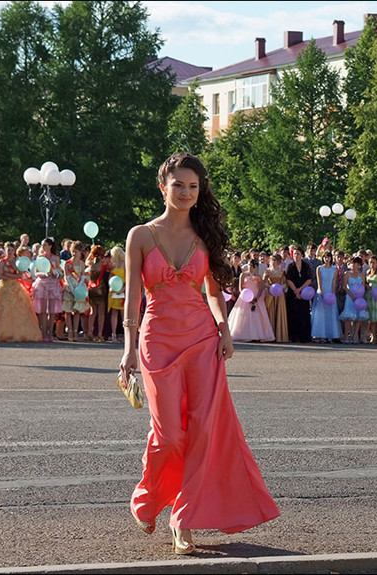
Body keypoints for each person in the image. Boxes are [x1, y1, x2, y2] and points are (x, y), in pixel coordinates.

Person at [118, 152, 279, 555]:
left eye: (193, 186)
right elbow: (133, 298)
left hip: (202, 340)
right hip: (156, 341)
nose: (187, 192)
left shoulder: (204, 237)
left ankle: (183, 520)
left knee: (204, 432)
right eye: (179, 185)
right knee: (170, 434)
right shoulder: (140, 235)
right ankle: (148, 497)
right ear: (162, 187)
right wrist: (128, 352)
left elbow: (212, 290)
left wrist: (224, 329)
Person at [0, 243, 41, 342]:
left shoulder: (17, 262)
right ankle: (3, 333)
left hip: (16, 287)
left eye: (12, 250)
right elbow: (1, 275)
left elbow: (20, 275)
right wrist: (11, 276)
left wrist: (9, 275)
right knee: (3, 310)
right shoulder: (2, 262)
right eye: (8, 250)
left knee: (19, 310)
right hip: (4, 286)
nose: (10, 252)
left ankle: (20, 333)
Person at [228, 258, 275, 342]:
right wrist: (246, 297)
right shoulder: (243, 275)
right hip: (246, 295)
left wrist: (257, 297)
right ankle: (243, 334)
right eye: (249, 265)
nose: (250, 267)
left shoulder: (258, 276)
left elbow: (260, 288)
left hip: (256, 296)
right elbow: (240, 287)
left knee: (257, 315)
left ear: (255, 266)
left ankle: (258, 335)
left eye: (252, 265)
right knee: (244, 315)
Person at [32, 238, 64, 342]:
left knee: (52, 311)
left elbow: (59, 271)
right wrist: (43, 274)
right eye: (42, 245)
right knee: (42, 311)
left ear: (50, 246)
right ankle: (43, 332)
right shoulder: (40, 258)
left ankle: (50, 333)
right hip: (42, 284)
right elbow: (35, 273)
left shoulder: (55, 258)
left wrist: (57, 274)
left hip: (53, 285)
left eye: (45, 245)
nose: (43, 247)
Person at [311, 251, 342, 343]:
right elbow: (319, 280)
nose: (327, 259)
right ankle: (321, 335)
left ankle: (330, 335)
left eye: (328, 257)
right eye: (325, 257)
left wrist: (332, 293)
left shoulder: (335, 269)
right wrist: (320, 290)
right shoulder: (319, 268)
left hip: (330, 292)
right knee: (321, 314)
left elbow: (334, 281)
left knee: (330, 314)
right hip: (321, 292)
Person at [62, 241, 90, 342]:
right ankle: (69, 332)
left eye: (76, 251)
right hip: (70, 287)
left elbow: (83, 275)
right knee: (68, 311)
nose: (74, 253)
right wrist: (72, 288)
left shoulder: (82, 264)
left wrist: (79, 286)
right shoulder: (68, 263)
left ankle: (75, 332)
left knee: (77, 311)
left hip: (79, 289)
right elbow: (66, 276)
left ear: (80, 252)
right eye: (73, 251)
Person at [338, 256, 369, 344]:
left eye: (355, 263)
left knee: (358, 316)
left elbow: (363, 287)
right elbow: (344, 286)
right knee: (348, 317)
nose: (354, 265)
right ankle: (347, 337)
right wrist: (351, 296)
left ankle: (355, 335)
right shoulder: (347, 274)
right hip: (349, 296)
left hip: (359, 297)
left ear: (359, 265)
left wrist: (360, 296)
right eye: (352, 263)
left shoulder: (362, 275)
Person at [285, 245, 312, 343]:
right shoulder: (291, 266)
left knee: (304, 315)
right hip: (293, 294)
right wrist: (295, 291)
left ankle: (304, 336)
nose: (296, 256)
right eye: (294, 254)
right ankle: (293, 336)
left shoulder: (306, 266)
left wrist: (300, 289)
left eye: (298, 254)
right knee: (293, 315)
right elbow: (288, 280)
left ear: (302, 255)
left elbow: (309, 279)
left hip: (304, 293)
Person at [85, 245, 109, 341]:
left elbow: (86, 261)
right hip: (100, 288)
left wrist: (91, 254)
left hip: (91, 288)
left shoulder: (90, 262)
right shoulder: (103, 263)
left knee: (92, 311)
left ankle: (90, 332)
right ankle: (99, 333)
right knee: (101, 312)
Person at [262, 254, 289, 343]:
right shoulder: (268, 271)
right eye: (272, 260)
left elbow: (285, 283)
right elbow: (263, 282)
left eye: (276, 261)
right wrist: (270, 287)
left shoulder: (282, 271)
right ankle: (270, 335)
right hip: (270, 293)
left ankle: (280, 336)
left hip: (279, 294)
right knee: (270, 313)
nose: (274, 262)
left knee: (279, 313)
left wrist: (281, 287)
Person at [107, 246, 127, 343]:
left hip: (123, 290)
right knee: (114, 312)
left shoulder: (125, 264)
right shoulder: (113, 265)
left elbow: (128, 278)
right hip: (114, 291)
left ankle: (125, 335)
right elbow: (110, 278)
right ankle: (113, 334)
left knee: (123, 313)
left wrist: (123, 289)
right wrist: (112, 288)